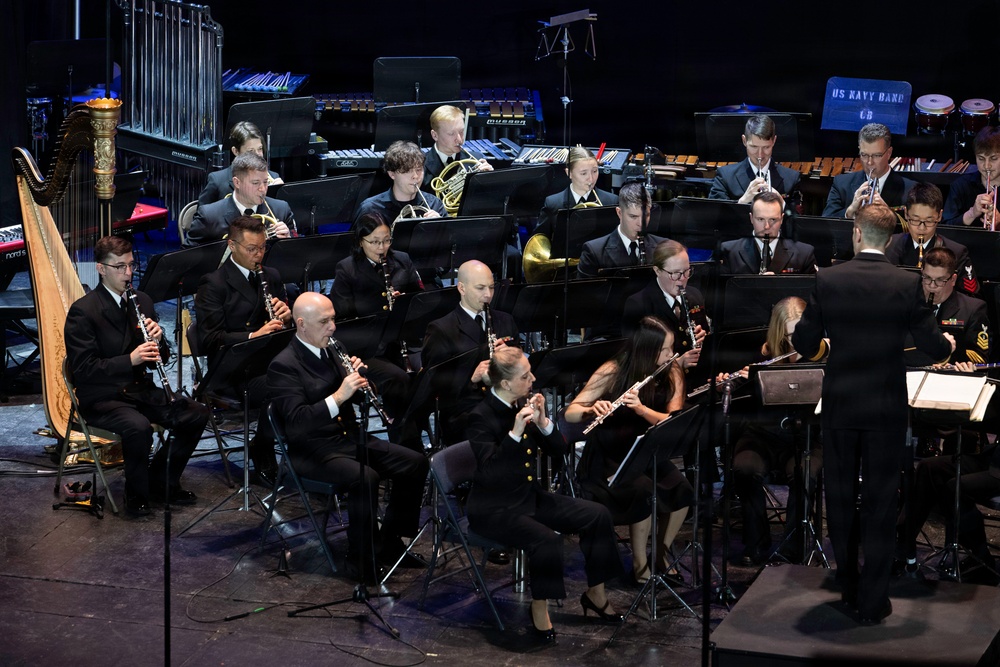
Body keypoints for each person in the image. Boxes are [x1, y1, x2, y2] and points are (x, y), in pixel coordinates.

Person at [792, 203, 954, 625]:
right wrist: (949, 346)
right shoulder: (906, 283)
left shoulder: (829, 278)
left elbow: (806, 342)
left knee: (841, 499)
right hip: (885, 408)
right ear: (889, 240)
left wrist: (814, 340)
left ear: (858, 234)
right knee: (882, 503)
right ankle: (874, 600)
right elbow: (934, 346)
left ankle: (847, 586)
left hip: (842, 405)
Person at [267, 292, 428, 584]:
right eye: (325, 321)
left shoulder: (333, 348)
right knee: (364, 478)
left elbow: (358, 400)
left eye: (333, 319)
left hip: (348, 438)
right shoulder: (284, 365)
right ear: (301, 324)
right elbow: (297, 423)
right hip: (312, 450)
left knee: (415, 462)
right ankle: (360, 560)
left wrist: (362, 382)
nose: (333, 327)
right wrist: (340, 393)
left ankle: (389, 541)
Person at [466, 347, 624, 642]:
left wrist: (542, 422)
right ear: (505, 384)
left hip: (527, 497)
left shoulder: (520, 403)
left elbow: (559, 450)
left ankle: (596, 593)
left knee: (597, 514)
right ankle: (539, 608)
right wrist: (513, 434)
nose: (533, 378)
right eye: (526, 375)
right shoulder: (480, 416)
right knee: (547, 539)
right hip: (493, 509)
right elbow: (489, 474)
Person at [65, 236, 209, 517]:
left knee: (196, 413)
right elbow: (83, 369)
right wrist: (129, 359)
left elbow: (161, 358)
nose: (128, 274)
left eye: (130, 265)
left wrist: (160, 340)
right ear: (101, 269)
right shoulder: (83, 311)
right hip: (103, 398)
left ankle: (161, 481)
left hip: (139, 390)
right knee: (139, 427)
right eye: (119, 267)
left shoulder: (141, 300)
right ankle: (136, 494)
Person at [565, 316, 694, 587]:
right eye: (666, 350)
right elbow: (571, 412)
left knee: (683, 493)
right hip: (609, 456)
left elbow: (674, 420)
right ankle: (640, 565)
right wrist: (591, 409)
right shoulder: (613, 370)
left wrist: (641, 409)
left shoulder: (672, 371)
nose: (672, 355)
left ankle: (661, 554)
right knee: (642, 494)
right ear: (647, 351)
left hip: (646, 451)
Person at [195, 216, 292, 485]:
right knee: (284, 389)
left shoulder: (270, 276)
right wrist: (253, 335)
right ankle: (262, 446)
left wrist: (288, 317)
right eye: (252, 249)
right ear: (232, 245)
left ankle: (308, 453)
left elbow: (286, 327)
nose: (259, 254)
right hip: (234, 370)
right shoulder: (213, 283)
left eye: (262, 247)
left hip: (269, 361)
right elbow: (210, 339)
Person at [729, 296, 823, 565]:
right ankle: (756, 541)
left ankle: (795, 544)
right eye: (788, 335)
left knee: (804, 473)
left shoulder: (819, 356)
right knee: (745, 468)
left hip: (805, 436)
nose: (794, 341)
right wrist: (742, 383)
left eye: (800, 333)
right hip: (762, 435)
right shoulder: (763, 354)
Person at [329, 213, 424, 448]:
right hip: (367, 349)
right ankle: (407, 446)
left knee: (430, 372)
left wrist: (404, 304)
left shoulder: (401, 261)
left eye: (387, 240)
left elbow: (421, 300)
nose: (382, 248)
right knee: (398, 380)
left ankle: (428, 434)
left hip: (402, 342)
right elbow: (341, 319)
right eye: (375, 242)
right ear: (361, 241)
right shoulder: (347, 269)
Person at [419, 260, 517, 444]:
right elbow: (435, 388)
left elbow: (521, 368)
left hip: (506, 404)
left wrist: (511, 358)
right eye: (480, 288)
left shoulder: (505, 321)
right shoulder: (441, 329)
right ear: (461, 288)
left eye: (491, 287)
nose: (488, 295)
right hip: (464, 413)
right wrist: (472, 378)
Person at [621, 239, 708, 367]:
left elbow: (705, 335)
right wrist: (678, 364)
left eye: (686, 271)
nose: (682, 279)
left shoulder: (695, 295)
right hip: (661, 383)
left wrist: (704, 338)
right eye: (675, 274)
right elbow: (635, 361)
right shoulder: (638, 304)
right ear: (657, 270)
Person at [886, 182, 978, 295]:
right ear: (906, 213)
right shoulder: (888, 246)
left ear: (939, 216)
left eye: (929, 221)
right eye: (915, 220)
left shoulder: (957, 252)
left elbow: (971, 298)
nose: (921, 228)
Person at [906, 247, 990, 367]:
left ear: (953, 279)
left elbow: (980, 358)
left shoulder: (973, 309)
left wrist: (950, 361)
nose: (932, 286)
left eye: (940, 280)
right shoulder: (907, 303)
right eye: (927, 278)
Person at [188, 152, 295, 246]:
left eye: (265, 182)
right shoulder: (209, 216)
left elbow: (297, 252)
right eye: (255, 183)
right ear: (237, 182)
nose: (263, 189)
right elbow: (188, 256)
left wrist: (288, 240)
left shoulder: (281, 210)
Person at [822, 123, 917, 219]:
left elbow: (913, 227)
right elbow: (827, 222)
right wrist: (850, 212)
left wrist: (886, 213)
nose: (870, 162)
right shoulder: (841, 183)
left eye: (877, 155)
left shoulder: (911, 189)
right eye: (864, 155)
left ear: (889, 153)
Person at [578, 181, 666, 278]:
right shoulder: (594, 251)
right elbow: (585, 292)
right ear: (619, 213)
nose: (641, 224)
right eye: (633, 216)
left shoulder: (665, 248)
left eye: (646, 216)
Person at [708, 114, 801, 203]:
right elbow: (716, 216)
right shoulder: (725, 176)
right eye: (754, 147)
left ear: (774, 141)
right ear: (744, 141)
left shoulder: (792, 178)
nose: (760, 155)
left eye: (766, 147)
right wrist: (743, 201)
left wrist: (781, 203)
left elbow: (796, 218)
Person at [718, 191, 816, 274]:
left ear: (782, 219)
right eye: (760, 219)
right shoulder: (728, 251)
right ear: (751, 218)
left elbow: (809, 294)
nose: (767, 226)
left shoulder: (805, 253)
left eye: (773, 219)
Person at [354, 140, 446, 224]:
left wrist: (439, 226)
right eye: (407, 170)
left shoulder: (434, 204)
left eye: (419, 169)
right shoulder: (371, 209)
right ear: (392, 174)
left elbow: (452, 240)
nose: (415, 176)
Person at [535, 146, 619, 238]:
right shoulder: (553, 203)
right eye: (583, 173)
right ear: (569, 173)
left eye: (595, 171)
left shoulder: (611, 201)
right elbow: (540, 238)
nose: (591, 178)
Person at [197, 121, 282, 206]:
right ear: (236, 151)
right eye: (250, 151)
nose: (258, 155)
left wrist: (279, 193)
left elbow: (284, 214)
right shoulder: (217, 181)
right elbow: (202, 216)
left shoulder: (274, 178)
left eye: (260, 149)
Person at [421, 104, 493, 192]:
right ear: (435, 135)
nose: (459, 139)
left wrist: (490, 180)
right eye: (451, 134)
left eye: (461, 131)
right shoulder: (421, 167)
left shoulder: (476, 161)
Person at [943, 126, 1000, 227]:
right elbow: (945, 228)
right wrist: (972, 213)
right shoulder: (960, 186)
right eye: (981, 158)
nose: (987, 166)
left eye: (993, 158)